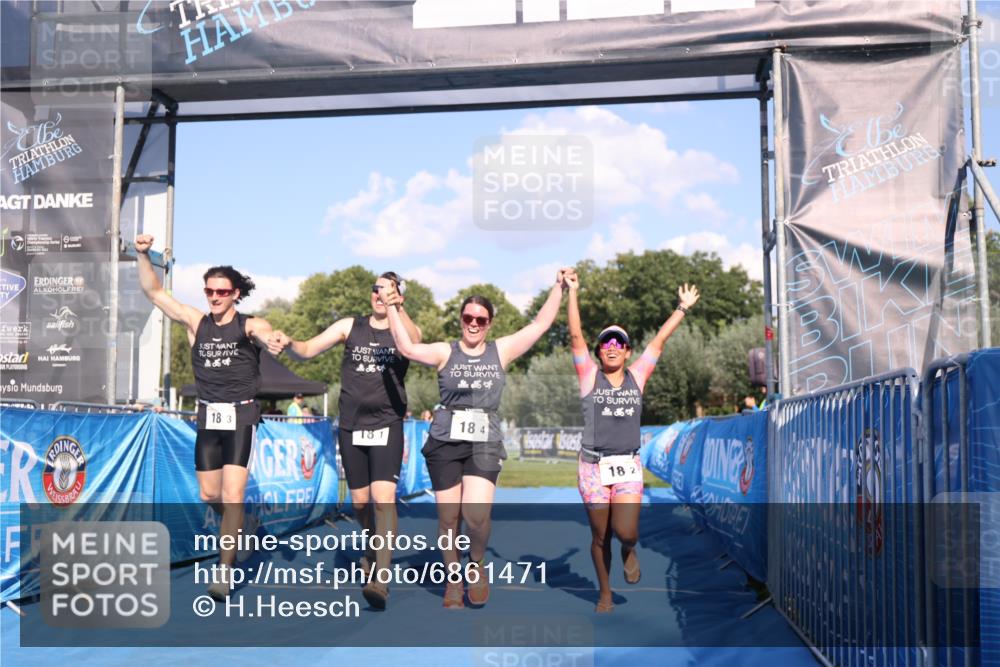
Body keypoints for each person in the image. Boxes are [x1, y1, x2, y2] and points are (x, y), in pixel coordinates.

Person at [384, 269, 571, 608]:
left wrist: (559, 288)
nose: (473, 324)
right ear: (461, 320)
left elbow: (540, 325)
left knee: (476, 515)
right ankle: (453, 579)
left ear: (489, 324)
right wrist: (393, 306)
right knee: (448, 518)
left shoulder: (501, 351)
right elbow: (407, 347)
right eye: (468, 318)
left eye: (480, 320)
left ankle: (477, 562)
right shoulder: (445, 351)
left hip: (484, 440)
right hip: (445, 440)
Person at [134, 233, 282, 601]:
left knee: (232, 494)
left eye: (222, 292)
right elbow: (154, 292)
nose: (214, 297)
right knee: (209, 493)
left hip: (241, 416)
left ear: (235, 294)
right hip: (209, 417)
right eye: (209, 291)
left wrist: (273, 340)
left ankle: (224, 571)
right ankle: (244, 521)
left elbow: (264, 332)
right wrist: (142, 255)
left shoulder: (248, 324)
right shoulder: (195, 322)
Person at [272, 272, 420, 609]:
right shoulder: (350, 326)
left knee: (384, 500)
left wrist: (398, 309)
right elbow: (307, 349)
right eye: (376, 289)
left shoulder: (403, 330)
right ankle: (371, 546)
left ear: (399, 296)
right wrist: (289, 343)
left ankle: (381, 578)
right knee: (360, 503)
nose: (380, 295)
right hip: (353, 427)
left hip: (387, 425)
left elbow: (414, 343)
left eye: (388, 290)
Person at [566, 271, 699, 613]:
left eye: (618, 343)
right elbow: (575, 336)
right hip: (592, 467)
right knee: (600, 536)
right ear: (599, 351)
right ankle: (605, 593)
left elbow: (659, 341)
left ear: (627, 352)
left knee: (625, 532)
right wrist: (572, 292)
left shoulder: (637, 376)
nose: (612, 347)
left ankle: (629, 548)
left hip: (626, 464)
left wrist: (682, 308)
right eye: (606, 343)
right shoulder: (589, 376)